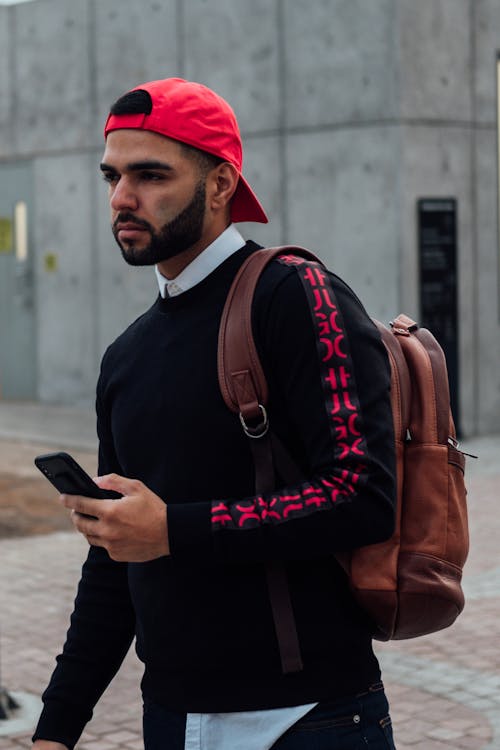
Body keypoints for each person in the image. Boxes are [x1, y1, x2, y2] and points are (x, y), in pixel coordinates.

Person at [32, 77, 397, 750]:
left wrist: (173, 528)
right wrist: (57, 729)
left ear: (221, 183)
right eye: (111, 176)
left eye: (150, 174)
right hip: (170, 720)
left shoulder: (297, 296)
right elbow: (115, 560)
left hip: (309, 718)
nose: (121, 198)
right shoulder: (127, 357)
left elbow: (363, 495)